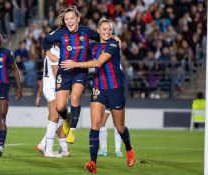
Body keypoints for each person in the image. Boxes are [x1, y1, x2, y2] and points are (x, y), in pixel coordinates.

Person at [61, 18, 135, 173]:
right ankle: (92, 162)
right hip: (98, 88)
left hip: (115, 89)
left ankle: (129, 148)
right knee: (95, 124)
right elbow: (79, 51)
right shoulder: (92, 46)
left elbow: (98, 63)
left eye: (110, 29)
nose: (108, 31)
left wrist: (74, 64)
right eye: (105, 29)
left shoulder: (113, 44)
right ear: (99, 31)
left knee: (119, 127)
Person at [41, 6, 101, 144]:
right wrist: (49, 53)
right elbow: (45, 41)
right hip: (64, 71)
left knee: (75, 97)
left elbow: (102, 37)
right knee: (60, 107)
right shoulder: (60, 32)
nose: (69, 21)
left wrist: (114, 38)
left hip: (80, 71)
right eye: (66, 19)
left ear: (78, 19)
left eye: (71, 18)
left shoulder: (86, 31)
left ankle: (72, 130)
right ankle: (67, 119)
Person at [35, 45, 69, 158]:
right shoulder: (55, 52)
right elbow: (55, 72)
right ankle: (46, 149)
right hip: (54, 87)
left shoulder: (50, 52)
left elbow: (44, 77)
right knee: (56, 118)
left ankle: (62, 149)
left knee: (58, 118)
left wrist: (39, 95)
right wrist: (61, 88)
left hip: (49, 87)